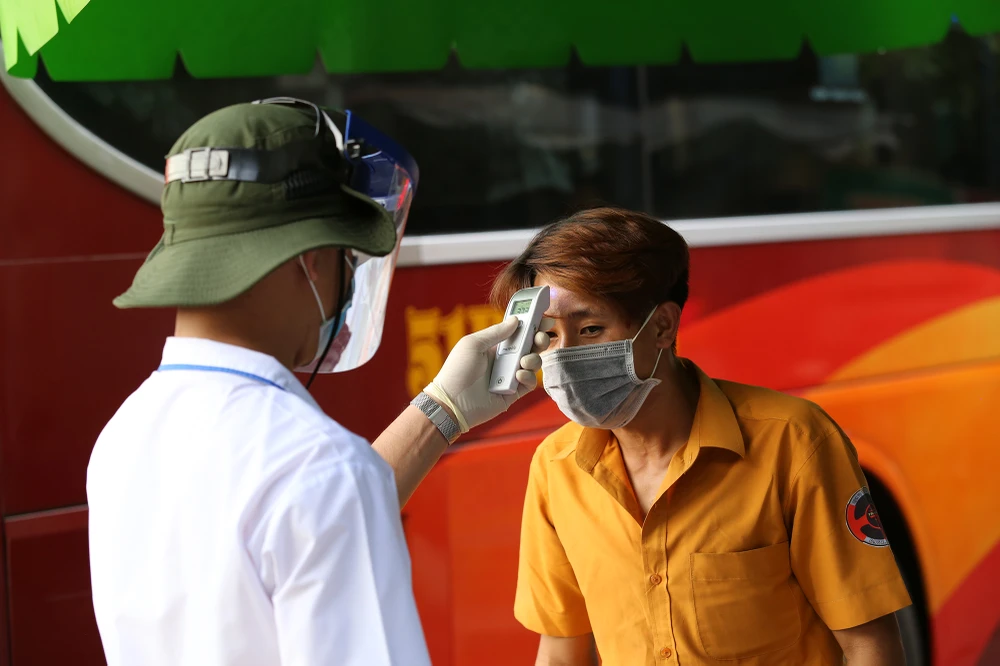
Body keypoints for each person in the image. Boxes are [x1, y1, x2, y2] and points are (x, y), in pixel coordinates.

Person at [86, 98, 549, 666]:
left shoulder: (124, 435)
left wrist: (443, 409)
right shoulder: (320, 465)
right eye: (349, 259)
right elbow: (319, 499)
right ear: (310, 260)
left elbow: (301, 518)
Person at [492, 207, 911, 666]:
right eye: (549, 335)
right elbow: (559, 653)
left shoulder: (793, 442)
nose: (563, 355)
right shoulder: (555, 466)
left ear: (662, 326)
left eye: (590, 329)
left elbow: (870, 644)